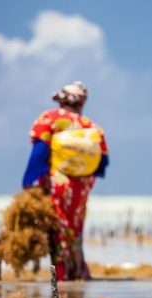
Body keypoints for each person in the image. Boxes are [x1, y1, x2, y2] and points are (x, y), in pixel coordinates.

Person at [23, 81, 109, 281]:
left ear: (61, 99)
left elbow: (39, 152)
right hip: (82, 186)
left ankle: (61, 276)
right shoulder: (92, 126)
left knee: (59, 228)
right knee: (75, 229)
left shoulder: (48, 118)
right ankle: (77, 271)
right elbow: (102, 163)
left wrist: (28, 181)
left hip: (58, 183)